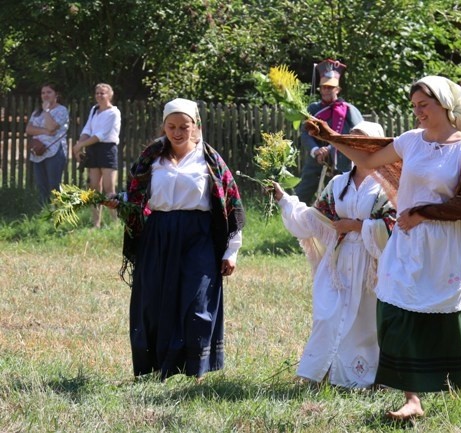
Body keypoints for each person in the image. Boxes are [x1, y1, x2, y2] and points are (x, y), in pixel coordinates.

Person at [304, 76, 461, 419]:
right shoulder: (410, 142)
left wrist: (425, 213)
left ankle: (451, 383)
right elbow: (370, 160)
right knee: (395, 308)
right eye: (414, 106)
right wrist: (329, 138)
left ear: (445, 105)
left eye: (425, 105)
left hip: (447, 243)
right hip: (408, 241)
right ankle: (412, 398)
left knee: (444, 314)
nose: (418, 112)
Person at [105, 98, 246, 381]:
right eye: (172, 126)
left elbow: (231, 205)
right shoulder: (150, 159)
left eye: (184, 126)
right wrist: (117, 202)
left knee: (198, 299)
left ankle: (197, 370)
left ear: (196, 126)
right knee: (154, 300)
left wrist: (231, 251)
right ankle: (156, 368)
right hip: (158, 234)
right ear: (164, 126)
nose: (178, 132)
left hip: (199, 234)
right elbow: (136, 197)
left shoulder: (210, 160)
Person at [271, 121, 396, 389]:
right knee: (329, 315)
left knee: (365, 322)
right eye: (351, 142)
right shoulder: (339, 183)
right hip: (339, 264)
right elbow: (315, 220)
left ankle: (363, 378)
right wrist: (284, 199)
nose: (355, 148)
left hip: (371, 265)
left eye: (362, 142)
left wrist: (357, 226)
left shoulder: (388, 185)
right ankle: (323, 373)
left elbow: (395, 226)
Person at [294, 59, 364, 204]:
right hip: (316, 159)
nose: (326, 90)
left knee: (339, 201)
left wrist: (330, 149)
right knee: (301, 198)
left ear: (337, 89)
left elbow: (356, 135)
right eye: (323, 87)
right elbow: (305, 134)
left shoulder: (349, 110)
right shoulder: (313, 109)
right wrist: (316, 151)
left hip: (341, 161)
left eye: (330, 87)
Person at [72, 83, 121, 228]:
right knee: (94, 188)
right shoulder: (94, 110)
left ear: (110, 95)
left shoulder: (114, 113)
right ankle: (96, 224)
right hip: (92, 148)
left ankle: (115, 224)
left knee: (109, 188)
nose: (99, 96)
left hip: (107, 149)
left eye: (103, 93)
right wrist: (78, 146)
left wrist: (81, 145)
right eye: (97, 93)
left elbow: (101, 135)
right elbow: (88, 128)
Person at [25, 83, 69, 206]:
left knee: (54, 184)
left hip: (54, 151)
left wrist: (47, 110)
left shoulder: (62, 110)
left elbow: (52, 126)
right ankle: (43, 211)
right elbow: (28, 129)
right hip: (38, 151)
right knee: (41, 184)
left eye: (49, 92)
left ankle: (60, 210)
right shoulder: (36, 112)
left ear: (56, 94)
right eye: (43, 93)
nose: (45, 95)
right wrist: (45, 131)